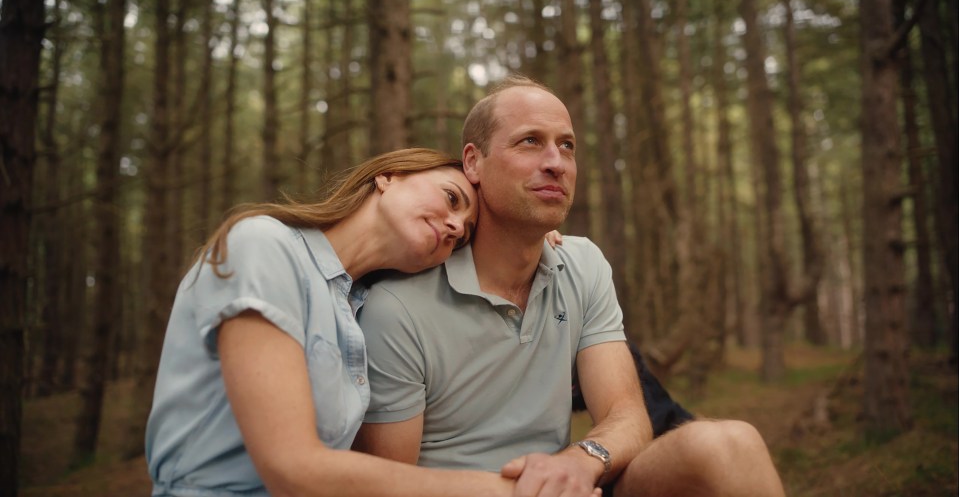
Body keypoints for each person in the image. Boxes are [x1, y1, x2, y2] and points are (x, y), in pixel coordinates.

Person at [353, 77, 787, 497]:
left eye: (567, 146)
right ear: (473, 162)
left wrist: (578, 462)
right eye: (529, 141)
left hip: (573, 484)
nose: (556, 163)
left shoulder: (583, 264)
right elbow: (388, 486)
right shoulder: (398, 304)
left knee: (730, 444)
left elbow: (628, 416)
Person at [145, 148, 561, 497]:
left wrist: (526, 241)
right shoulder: (264, 246)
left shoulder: (362, 311)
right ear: (389, 177)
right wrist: (502, 490)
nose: (455, 226)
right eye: (452, 199)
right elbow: (290, 467)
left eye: (465, 235)